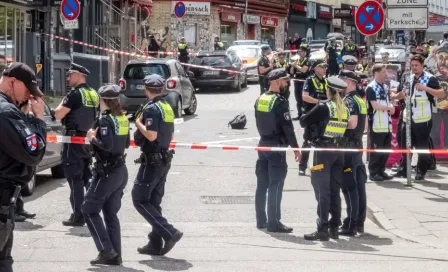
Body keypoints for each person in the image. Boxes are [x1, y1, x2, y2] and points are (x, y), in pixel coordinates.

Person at [0, 62, 47, 271]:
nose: (29, 96)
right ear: (12, 82)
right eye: (27, 90)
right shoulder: (6, 112)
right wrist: (37, 119)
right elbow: (33, 152)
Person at [132, 74, 182, 256]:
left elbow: (151, 135)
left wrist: (138, 122)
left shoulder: (152, 108)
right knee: (153, 201)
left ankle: (169, 232)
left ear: (146, 89)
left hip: (152, 160)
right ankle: (154, 243)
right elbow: (170, 134)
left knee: (139, 199)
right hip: (163, 159)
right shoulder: (166, 106)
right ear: (161, 89)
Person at [81, 84, 130, 265]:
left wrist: (92, 138)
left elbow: (106, 145)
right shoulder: (122, 119)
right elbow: (125, 144)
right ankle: (115, 255)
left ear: (103, 100)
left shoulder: (106, 121)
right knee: (110, 213)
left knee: (88, 209)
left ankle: (106, 250)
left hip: (107, 172)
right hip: (119, 171)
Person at [300, 76, 351, 241]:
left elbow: (303, 121)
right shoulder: (345, 108)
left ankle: (322, 228)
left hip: (323, 151)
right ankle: (334, 227)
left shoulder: (324, 107)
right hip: (339, 152)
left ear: (329, 90)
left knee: (322, 191)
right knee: (334, 191)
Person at [254, 68, 301, 233]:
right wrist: (296, 148)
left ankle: (261, 220)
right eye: (284, 81)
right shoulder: (280, 101)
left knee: (262, 184)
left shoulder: (260, 99)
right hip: (276, 147)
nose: (287, 84)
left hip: (263, 144)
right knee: (276, 184)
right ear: (275, 81)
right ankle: (274, 222)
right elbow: (288, 128)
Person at [54, 63, 99, 227]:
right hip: (87, 141)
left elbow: (58, 114)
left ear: (79, 75)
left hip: (73, 142)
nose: (67, 78)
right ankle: (92, 209)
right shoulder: (93, 93)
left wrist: (60, 104)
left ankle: (78, 215)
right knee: (86, 178)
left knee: (75, 180)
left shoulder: (74, 94)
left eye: (70, 75)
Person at [393, 55, 444, 180]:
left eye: (416, 65)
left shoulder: (429, 78)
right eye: (412, 65)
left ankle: (421, 171)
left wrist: (425, 88)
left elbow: (442, 93)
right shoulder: (408, 78)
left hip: (423, 119)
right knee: (405, 145)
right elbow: (403, 94)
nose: (414, 68)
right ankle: (405, 169)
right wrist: (394, 96)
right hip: (408, 118)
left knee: (422, 147)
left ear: (422, 65)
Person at [338, 70, 368, 236]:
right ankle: (359, 222)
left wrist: (335, 125)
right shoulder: (359, 99)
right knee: (358, 185)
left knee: (349, 187)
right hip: (357, 145)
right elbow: (364, 127)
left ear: (348, 82)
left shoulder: (349, 100)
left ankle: (351, 223)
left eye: (342, 80)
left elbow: (352, 123)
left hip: (349, 146)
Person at [366, 64, 395, 181]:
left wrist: (391, 107)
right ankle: (373, 172)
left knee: (386, 149)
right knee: (377, 150)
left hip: (386, 124)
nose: (386, 74)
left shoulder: (385, 87)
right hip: (376, 124)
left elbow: (388, 102)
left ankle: (381, 170)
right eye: (383, 72)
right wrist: (388, 108)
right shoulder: (371, 87)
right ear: (376, 73)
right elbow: (375, 105)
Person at [299, 60, 328, 176]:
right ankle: (302, 166)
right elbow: (305, 97)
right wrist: (320, 102)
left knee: (322, 141)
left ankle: (320, 166)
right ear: (315, 68)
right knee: (307, 141)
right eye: (321, 67)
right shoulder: (309, 80)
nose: (324, 69)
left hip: (323, 115)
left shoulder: (326, 81)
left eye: (325, 67)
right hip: (311, 113)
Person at [290, 45, 310, 120]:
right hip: (297, 81)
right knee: (298, 99)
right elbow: (293, 71)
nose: (299, 53)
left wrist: (296, 66)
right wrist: (292, 69)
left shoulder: (307, 60)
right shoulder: (297, 60)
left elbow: (304, 70)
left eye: (301, 51)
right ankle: (299, 114)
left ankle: (305, 114)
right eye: (299, 51)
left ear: (305, 52)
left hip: (304, 82)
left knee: (304, 99)